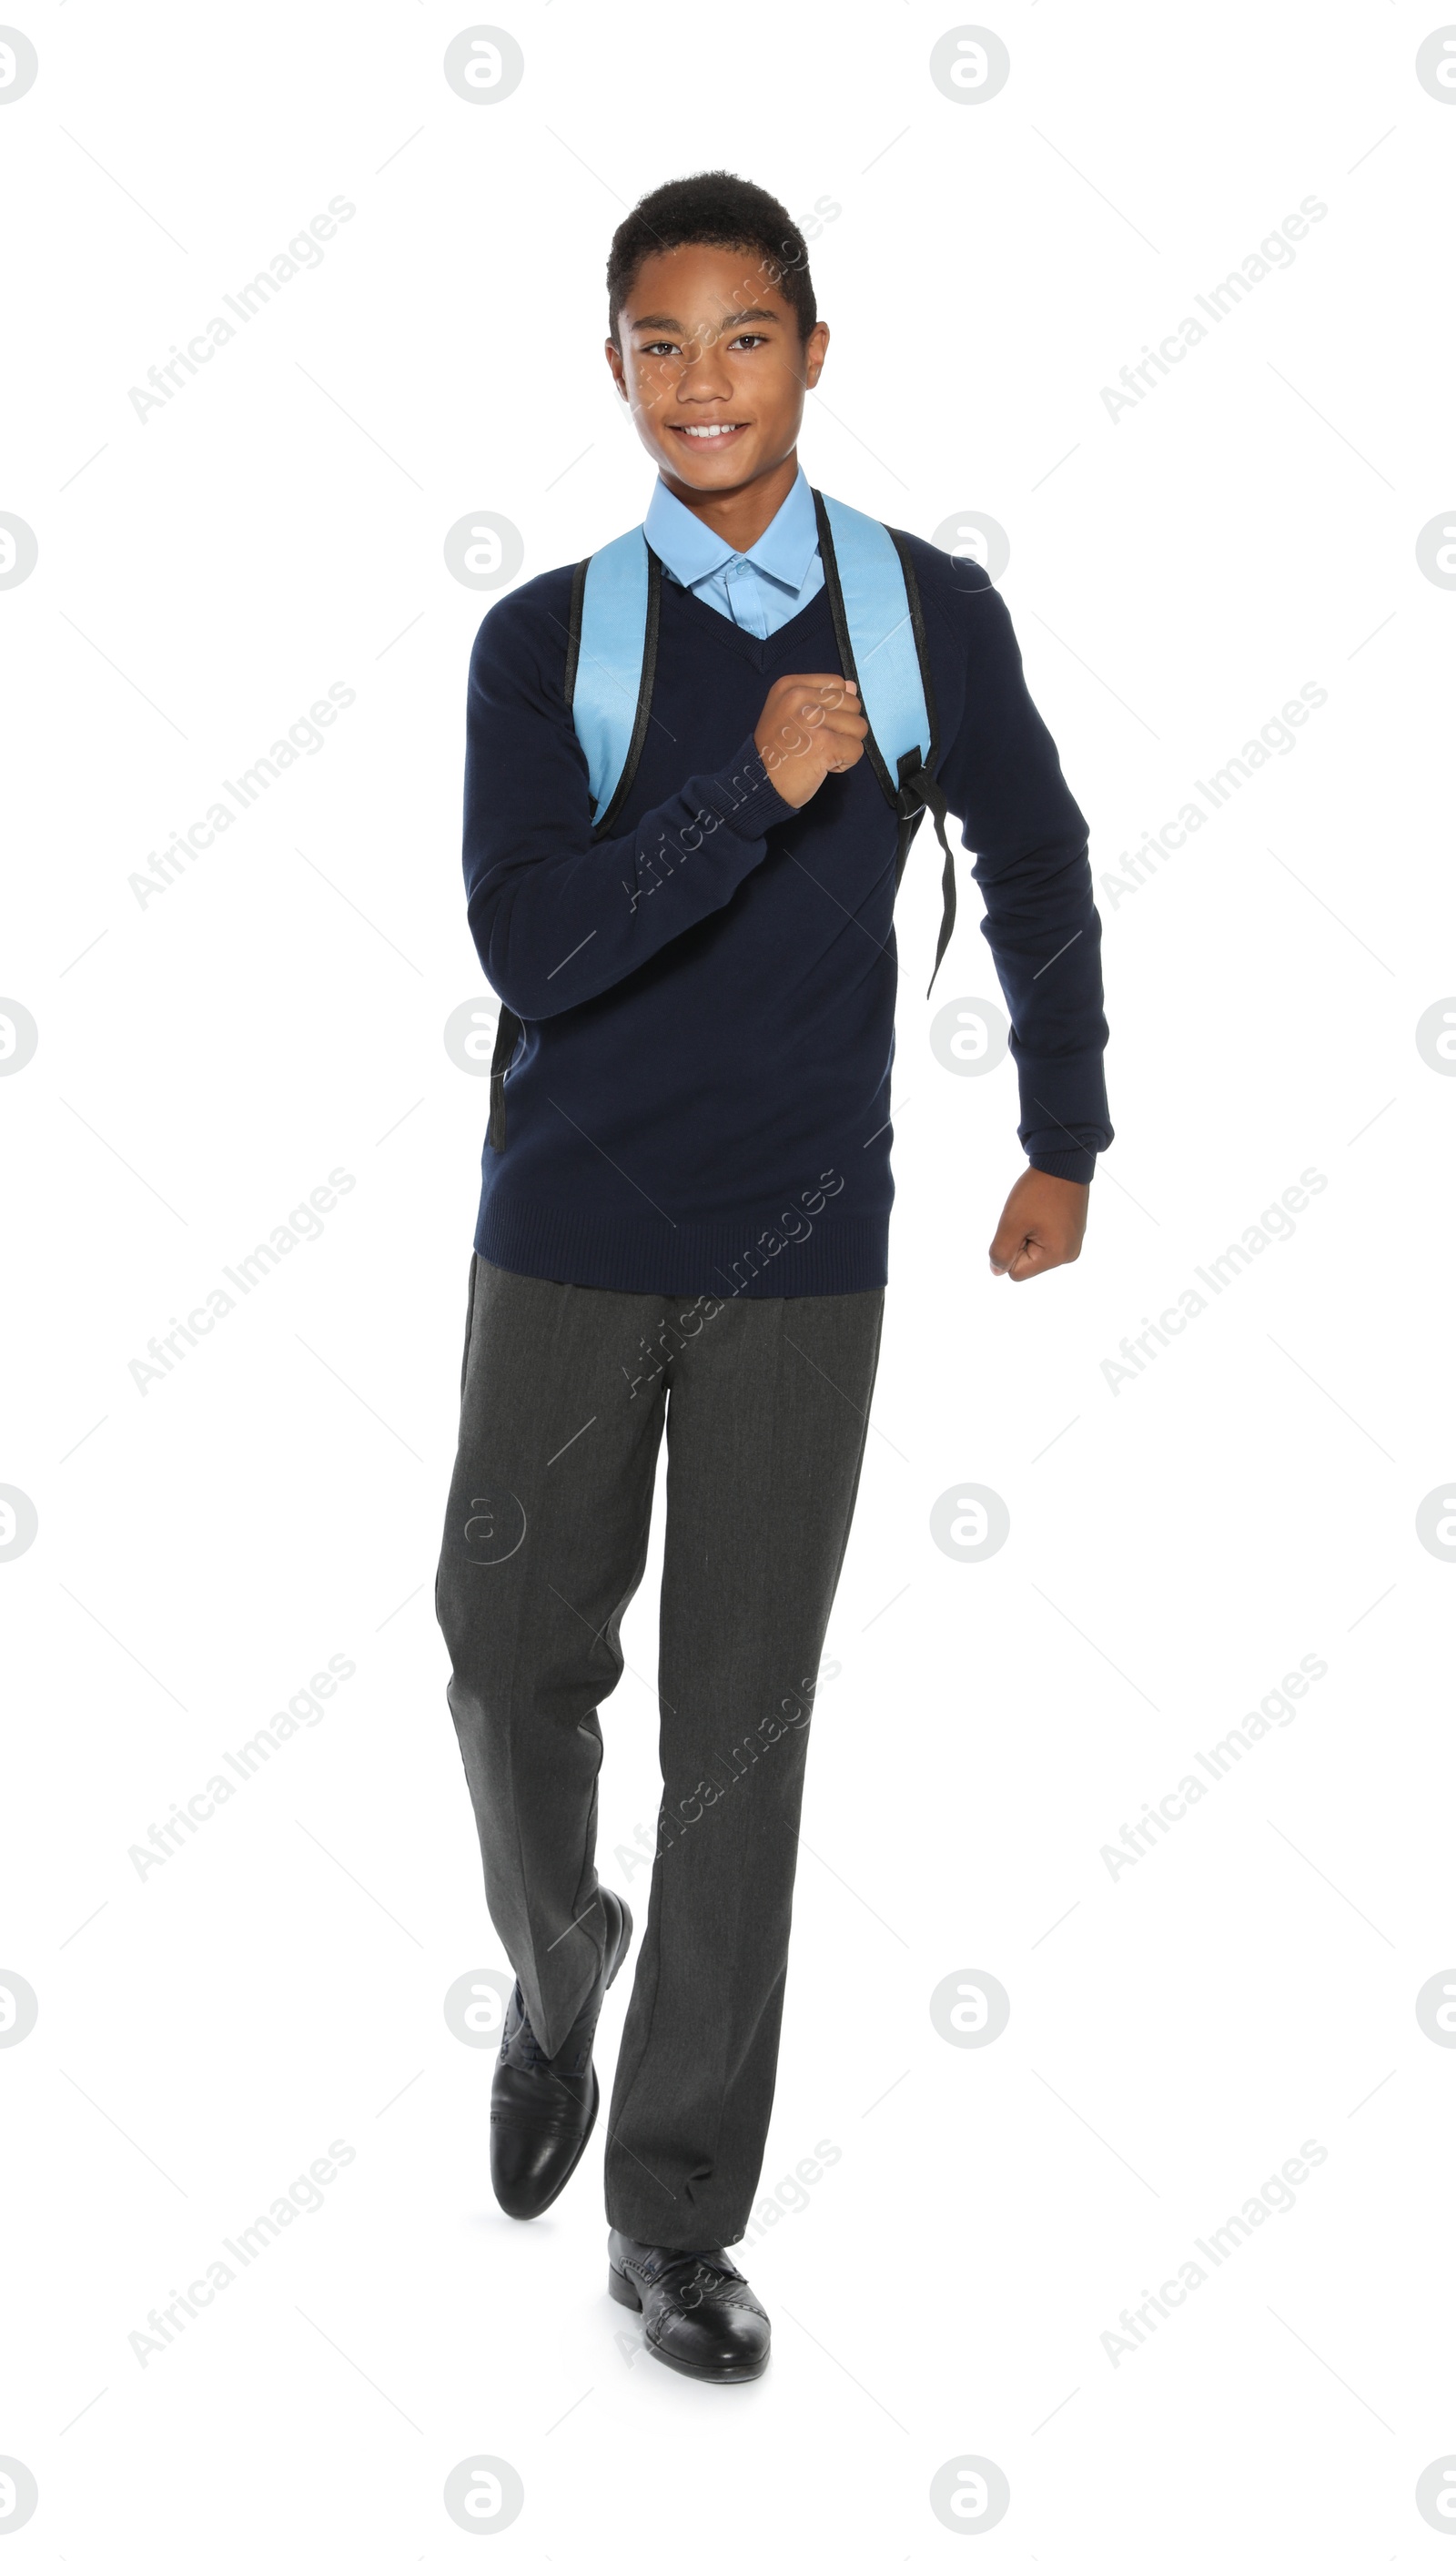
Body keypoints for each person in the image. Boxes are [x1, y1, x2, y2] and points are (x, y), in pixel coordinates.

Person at [435, 169, 1112, 2385]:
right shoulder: (548, 640)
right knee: (504, 1659)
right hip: (564, 1233)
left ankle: (675, 2213)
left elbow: (1033, 850)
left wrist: (1064, 1128)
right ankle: (558, 1974)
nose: (699, 381)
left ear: (814, 352)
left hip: (805, 1254)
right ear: (612, 368)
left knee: (735, 1738)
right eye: (657, 342)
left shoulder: (925, 615)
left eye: (742, 337)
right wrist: (749, 777)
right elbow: (536, 947)